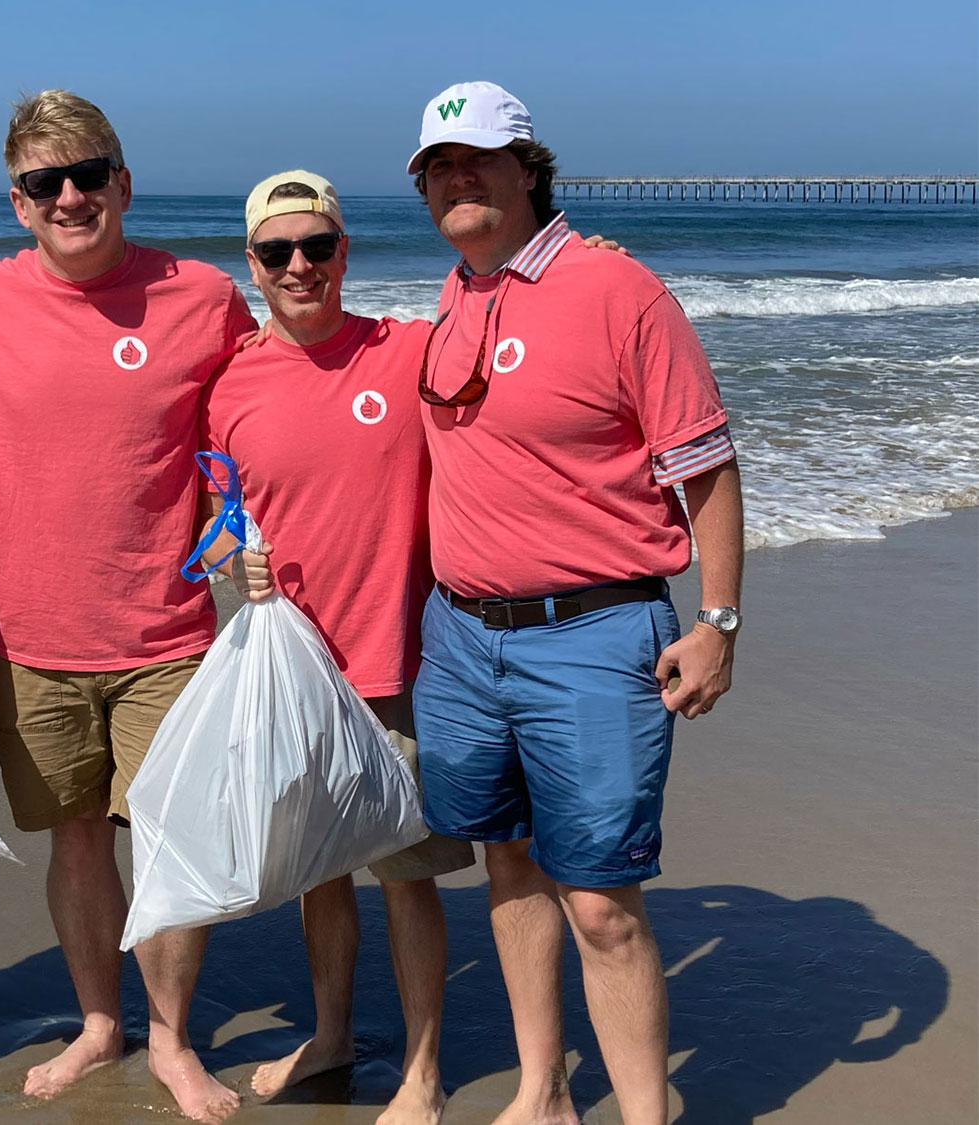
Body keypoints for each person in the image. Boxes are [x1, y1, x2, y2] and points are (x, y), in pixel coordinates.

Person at [405, 82, 744, 1125]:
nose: (459, 178)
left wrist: (718, 621)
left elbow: (709, 469)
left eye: (480, 159)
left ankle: (647, 1113)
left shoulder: (618, 289)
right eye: (438, 165)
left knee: (600, 901)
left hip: (594, 635)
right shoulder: (458, 292)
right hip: (462, 638)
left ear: (528, 169)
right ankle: (542, 1090)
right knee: (508, 863)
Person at [0, 91, 258, 1123]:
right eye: (47, 182)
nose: (70, 195)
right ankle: (96, 1022)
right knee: (76, 840)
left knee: (172, 844)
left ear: (123, 182)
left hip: (166, 627)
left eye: (89, 174)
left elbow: (275, 396)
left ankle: (170, 1039)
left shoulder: (202, 294)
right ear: (19, 202)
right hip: (31, 633)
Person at [198, 170, 479, 1125]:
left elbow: (509, 320)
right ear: (253, 264)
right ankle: (327, 1034)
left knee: (406, 877)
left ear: (344, 252)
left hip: (404, 660)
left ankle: (424, 1073)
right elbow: (217, 516)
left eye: (317, 245)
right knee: (321, 869)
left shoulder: (408, 348)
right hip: (293, 672)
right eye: (278, 251)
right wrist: (236, 561)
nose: (299, 265)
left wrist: (587, 258)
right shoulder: (228, 381)